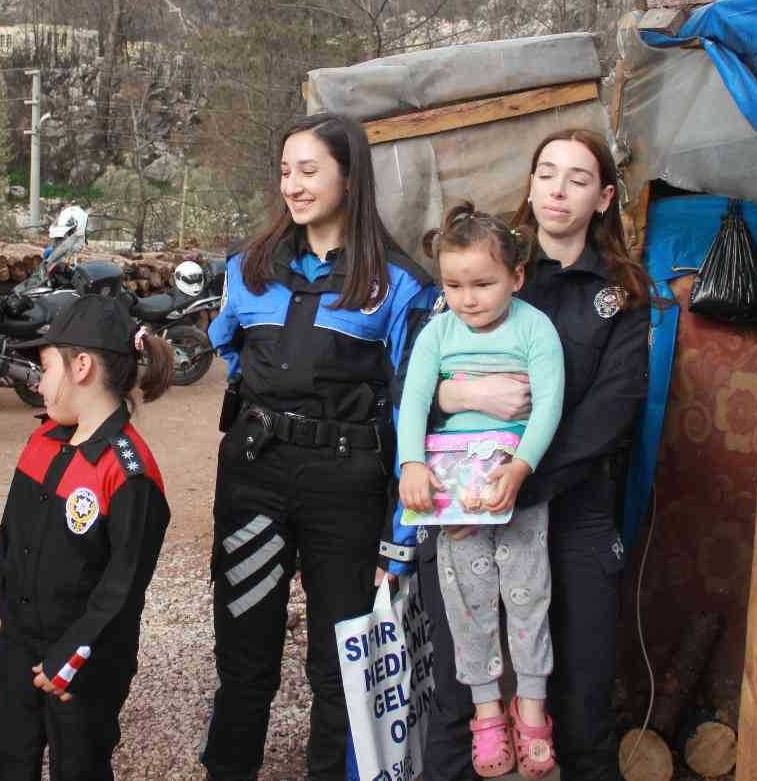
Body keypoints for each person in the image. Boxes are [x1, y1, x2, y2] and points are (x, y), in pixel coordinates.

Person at [413, 129, 655, 781]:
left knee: (581, 705)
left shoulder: (622, 294)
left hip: (571, 512)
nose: (557, 189)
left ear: (604, 198)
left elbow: (612, 411)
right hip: (467, 507)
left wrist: (521, 481)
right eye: (546, 172)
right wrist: (460, 392)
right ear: (529, 183)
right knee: (461, 701)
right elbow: (414, 382)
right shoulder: (484, 259)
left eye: (578, 178)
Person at [201, 112, 437, 781]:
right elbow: (229, 347)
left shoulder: (399, 283)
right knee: (244, 650)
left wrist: (399, 531)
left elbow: (413, 405)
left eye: (309, 170)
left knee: (340, 659)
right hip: (255, 476)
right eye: (285, 171)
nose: (293, 186)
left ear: (349, 177)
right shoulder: (248, 267)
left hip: (347, 485)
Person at [395, 203, 566, 778]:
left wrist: (521, 469)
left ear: (516, 277)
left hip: (513, 484)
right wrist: (411, 464)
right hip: (455, 491)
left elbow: (550, 404)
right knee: (466, 601)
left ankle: (532, 705)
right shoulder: (437, 333)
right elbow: (414, 401)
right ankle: (486, 710)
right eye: (453, 285)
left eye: (482, 284)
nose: (467, 299)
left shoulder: (535, 328)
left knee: (528, 593)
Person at [0, 294, 175, 781]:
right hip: (21, 641)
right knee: (9, 753)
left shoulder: (128, 472)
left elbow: (123, 586)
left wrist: (72, 654)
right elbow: (13, 534)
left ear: (82, 366)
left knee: (79, 763)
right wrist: (11, 615)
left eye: (46, 368)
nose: (39, 382)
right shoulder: (42, 440)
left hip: (86, 660)